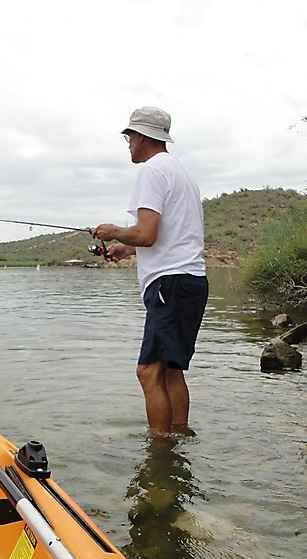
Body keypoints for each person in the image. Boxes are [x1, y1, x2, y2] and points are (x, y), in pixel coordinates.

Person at [93, 106, 208, 437]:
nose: (128, 143)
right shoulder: (181, 173)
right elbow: (169, 234)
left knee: (148, 372)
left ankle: (160, 453)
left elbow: (146, 234)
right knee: (171, 371)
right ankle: (180, 436)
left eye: (129, 136)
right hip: (191, 283)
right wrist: (127, 248)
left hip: (169, 284)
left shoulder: (152, 171)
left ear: (143, 137)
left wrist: (115, 231)